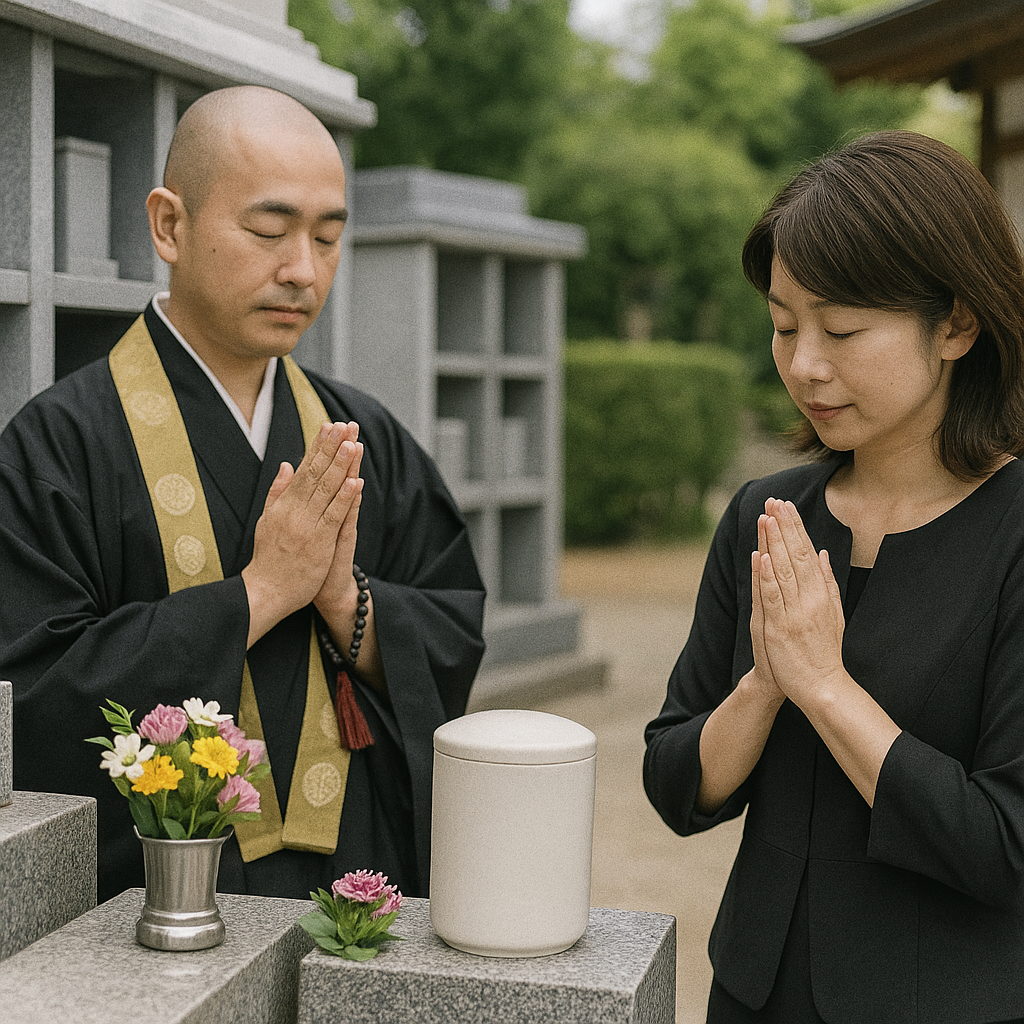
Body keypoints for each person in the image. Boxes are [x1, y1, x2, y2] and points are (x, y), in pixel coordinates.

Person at [0, 86, 485, 904]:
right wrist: (258, 596)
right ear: (170, 226)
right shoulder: (60, 443)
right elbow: (31, 700)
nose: (301, 268)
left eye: (328, 237)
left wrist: (347, 602)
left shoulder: (362, 436)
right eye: (269, 230)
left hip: (356, 876)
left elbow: (450, 632)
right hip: (154, 899)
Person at [644, 130, 1024, 1024]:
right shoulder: (767, 515)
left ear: (957, 324)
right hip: (755, 991)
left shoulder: (1012, 533)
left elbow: (1005, 844)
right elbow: (673, 779)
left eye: (843, 330)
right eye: (783, 324)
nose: (804, 363)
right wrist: (766, 687)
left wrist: (823, 687)